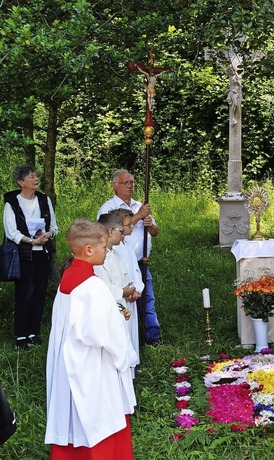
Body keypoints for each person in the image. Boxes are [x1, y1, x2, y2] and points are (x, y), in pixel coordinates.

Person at [45, 219, 137, 457]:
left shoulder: (67, 280)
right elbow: (106, 336)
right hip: (93, 365)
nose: (106, 253)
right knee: (99, 417)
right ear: (88, 249)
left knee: (75, 414)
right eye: (104, 248)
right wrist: (124, 356)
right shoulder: (93, 286)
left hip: (70, 363)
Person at [98, 169, 162, 345]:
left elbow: (155, 232)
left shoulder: (139, 205)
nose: (130, 186)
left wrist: (149, 225)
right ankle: (127, 337)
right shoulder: (109, 208)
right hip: (118, 261)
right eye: (125, 183)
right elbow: (109, 230)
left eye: (132, 182)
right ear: (114, 186)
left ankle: (152, 335)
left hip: (140, 260)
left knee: (146, 297)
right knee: (125, 300)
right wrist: (138, 216)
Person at [2, 165, 58, 350]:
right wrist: (30, 241)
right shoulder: (11, 202)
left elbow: (54, 227)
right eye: (31, 177)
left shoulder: (44, 200)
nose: (36, 179)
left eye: (36, 176)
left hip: (43, 253)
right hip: (23, 255)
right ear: (20, 182)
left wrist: (46, 236)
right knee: (24, 294)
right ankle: (20, 336)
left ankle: (33, 333)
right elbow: (11, 232)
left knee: (39, 292)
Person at [109, 208, 145, 364]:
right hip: (121, 297)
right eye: (128, 224)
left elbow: (135, 271)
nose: (131, 227)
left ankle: (132, 364)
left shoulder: (127, 246)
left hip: (131, 294)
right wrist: (126, 292)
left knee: (131, 331)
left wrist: (137, 289)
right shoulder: (112, 249)